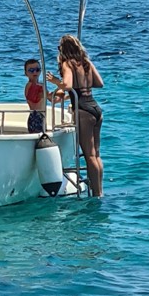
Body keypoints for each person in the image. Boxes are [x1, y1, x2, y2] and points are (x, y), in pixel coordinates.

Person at [47, 34, 105, 197]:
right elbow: (99, 83)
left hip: (82, 110)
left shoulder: (67, 64)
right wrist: (83, 84)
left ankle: (96, 194)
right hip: (95, 107)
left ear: (63, 50)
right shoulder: (86, 62)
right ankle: (100, 190)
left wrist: (55, 82)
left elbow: (67, 84)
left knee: (89, 156)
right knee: (97, 155)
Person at [23, 58, 46, 133]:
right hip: (36, 117)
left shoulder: (40, 85)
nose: (35, 72)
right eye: (31, 70)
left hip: (39, 117)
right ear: (26, 73)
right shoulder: (31, 86)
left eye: (37, 70)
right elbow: (50, 97)